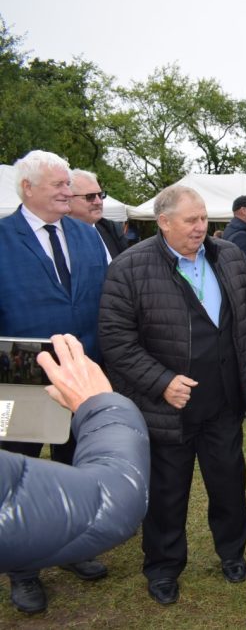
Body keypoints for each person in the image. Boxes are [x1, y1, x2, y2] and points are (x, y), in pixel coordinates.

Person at [98, 185, 246, 606]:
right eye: (191, 221)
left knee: (229, 481)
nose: (201, 228)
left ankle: (232, 553)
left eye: (203, 219)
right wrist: (161, 382)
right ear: (163, 222)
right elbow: (115, 339)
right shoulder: (130, 267)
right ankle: (162, 567)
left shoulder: (226, 254)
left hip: (226, 397)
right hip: (166, 407)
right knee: (167, 492)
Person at [0, 150, 110, 614]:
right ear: (27, 189)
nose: (69, 191)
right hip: (17, 380)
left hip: (80, 375)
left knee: (73, 469)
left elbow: (107, 299)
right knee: (17, 475)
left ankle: (72, 548)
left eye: (69, 184)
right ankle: (22, 569)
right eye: (59, 185)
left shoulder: (88, 236)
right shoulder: (2, 238)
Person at [0, 334, 150, 574]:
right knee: (21, 461)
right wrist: (102, 406)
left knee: (71, 464)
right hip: (21, 385)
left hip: (79, 387)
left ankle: (72, 553)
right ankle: (23, 576)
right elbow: (116, 496)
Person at [68, 169, 129, 261]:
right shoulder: (58, 236)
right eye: (90, 197)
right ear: (68, 199)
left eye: (100, 195)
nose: (98, 202)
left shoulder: (112, 230)